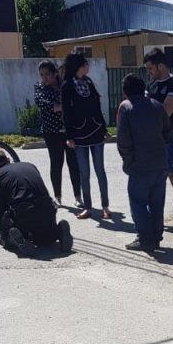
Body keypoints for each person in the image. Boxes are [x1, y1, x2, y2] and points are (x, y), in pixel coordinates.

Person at [116, 73, 171, 253]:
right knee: (157, 202)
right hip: (160, 163)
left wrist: (128, 161)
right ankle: (156, 236)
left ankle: (145, 238)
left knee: (138, 202)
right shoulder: (156, 105)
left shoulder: (126, 107)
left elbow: (123, 140)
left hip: (140, 165)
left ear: (125, 91)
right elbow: (168, 132)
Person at [61, 53, 110, 221]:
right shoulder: (67, 86)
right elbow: (66, 113)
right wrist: (69, 136)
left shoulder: (88, 82)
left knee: (100, 171)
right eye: (85, 64)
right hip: (78, 134)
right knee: (84, 173)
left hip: (96, 131)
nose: (87, 67)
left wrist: (104, 128)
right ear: (77, 67)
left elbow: (97, 105)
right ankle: (88, 207)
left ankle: (105, 206)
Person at [144, 47, 173, 232]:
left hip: (169, 140)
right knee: (152, 180)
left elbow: (165, 112)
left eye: (151, 68)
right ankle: (155, 219)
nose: (149, 72)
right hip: (151, 141)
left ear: (161, 66)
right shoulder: (150, 85)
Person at [35, 60, 81, 207]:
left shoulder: (65, 86)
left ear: (55, 73)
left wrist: (64, 107)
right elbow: (46, 105)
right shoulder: (39, 88)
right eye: (42, 75)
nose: (44, 78)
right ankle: (57, 196)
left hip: (69, 131)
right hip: (51, 133)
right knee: (56, 164)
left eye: (47, 74)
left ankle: (77, 196)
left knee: (73, 164)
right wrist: (64, 107)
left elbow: (74, 102)